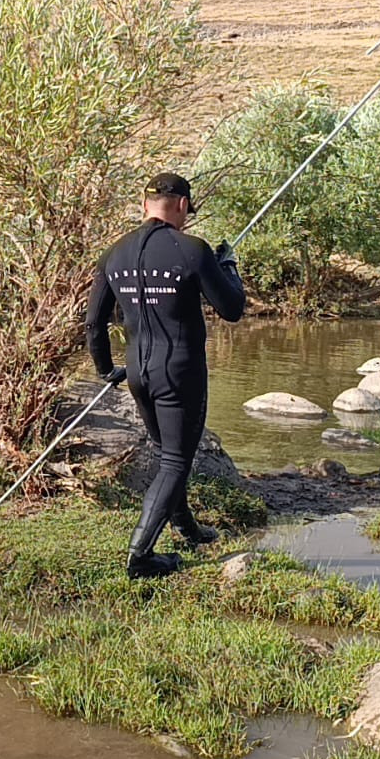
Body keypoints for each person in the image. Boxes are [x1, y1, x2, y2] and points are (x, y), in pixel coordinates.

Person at [84, 172, 246, 579]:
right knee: (175, 461)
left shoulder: (113, 254)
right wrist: (229, 269)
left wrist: (106, 370)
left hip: (139, 372)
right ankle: (140, 556)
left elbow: (92, 325)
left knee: (167, 454)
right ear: (183, 206)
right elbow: (232, 308)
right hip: (181, 373)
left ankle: (186, 526)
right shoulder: (192, 249)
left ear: (145, 205)